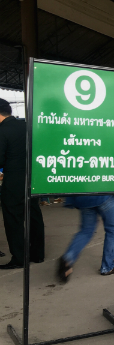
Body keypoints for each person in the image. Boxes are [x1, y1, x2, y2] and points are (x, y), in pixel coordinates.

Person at [0, 99, 45, 269]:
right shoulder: (27, 126)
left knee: (13, 219)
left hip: (14, 180)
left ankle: (19, 258)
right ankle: (38, 254)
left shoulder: (3, 130)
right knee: (33, 215)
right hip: (33, 178)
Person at [57, 195, 114, 281]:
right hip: (104, 195)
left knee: (86, 231)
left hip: (84, 197)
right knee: (112, 230)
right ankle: (107, 267)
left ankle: (68, 257)